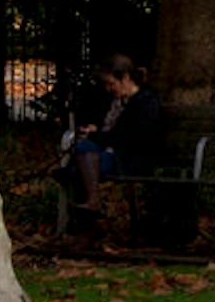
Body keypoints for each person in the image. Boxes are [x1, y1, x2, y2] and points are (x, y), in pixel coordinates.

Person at [65, 54, 164, 222]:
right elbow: (113, 131)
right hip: (114, 153)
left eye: (112, 84)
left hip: (131, 159)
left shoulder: (145, 103)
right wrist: (96, 131)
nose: (109, 89)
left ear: (125, 78)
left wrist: (98, 136)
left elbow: (127, 137)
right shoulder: (119, 102)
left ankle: (92, 202)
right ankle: (86, 211)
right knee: (81, 154)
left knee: (80, 160)